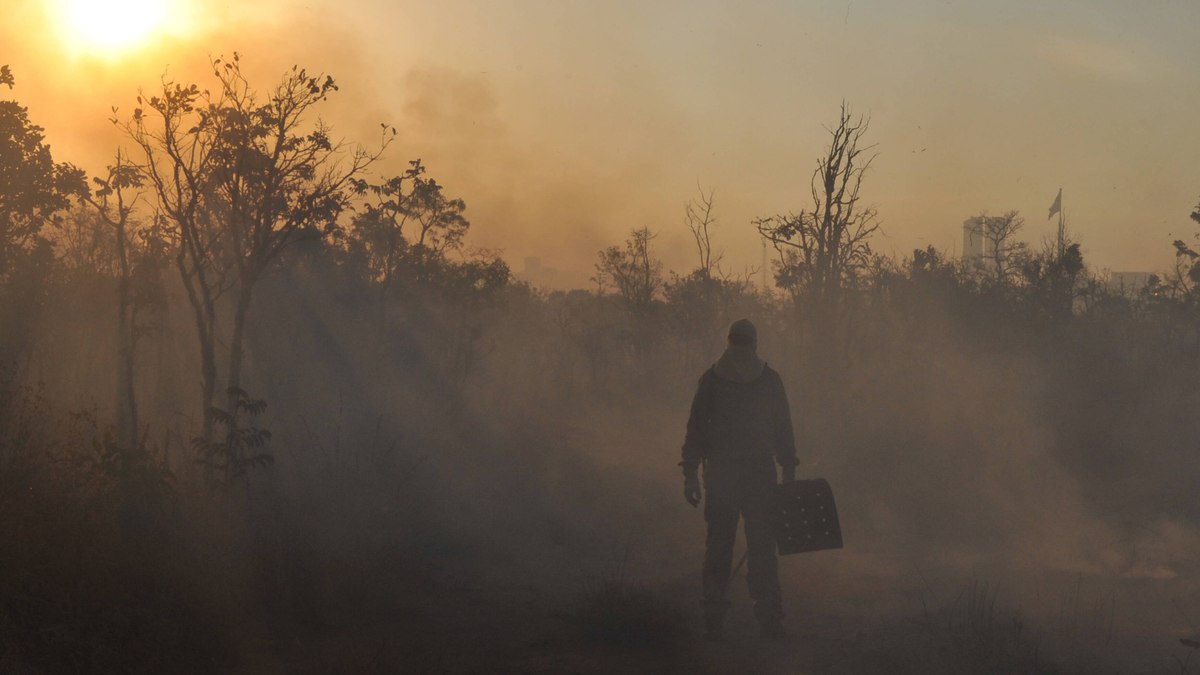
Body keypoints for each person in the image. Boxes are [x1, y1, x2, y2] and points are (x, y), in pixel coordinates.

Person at [680, 318, 798, 640]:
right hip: (750, 475)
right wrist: (787, 472)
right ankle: (765, 618)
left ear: (729, 340)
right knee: (756, 549)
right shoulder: (766, 380)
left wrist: (691, 475)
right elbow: (783, 431)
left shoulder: (714, 379)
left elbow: (696, 432)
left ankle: (720, 615)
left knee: (726, 547)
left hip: (728, 475)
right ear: (754, 343)